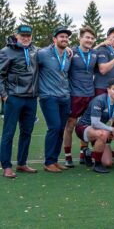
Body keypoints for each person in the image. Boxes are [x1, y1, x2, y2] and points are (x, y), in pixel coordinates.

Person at [0, 25, 39, 178]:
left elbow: (53, 51)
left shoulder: (35, 51)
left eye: (28, 36)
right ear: (16, 35)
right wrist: (4, 96)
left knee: (27, 132)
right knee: (8, 133)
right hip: (13, 98)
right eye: (22, 35)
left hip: (31, 98)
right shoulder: (5, 52)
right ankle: (6, 166)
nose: (25, 38)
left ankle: (22, 163)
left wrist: (68, 50)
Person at [38, 27, 73, 173]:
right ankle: (48, 162)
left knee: (60, 130)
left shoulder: (68, 54)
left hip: (64, 97)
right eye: (61, 37)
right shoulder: (43, 53)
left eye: (66, 37)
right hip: (48, 96)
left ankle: (55, 160)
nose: (64, 39)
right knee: (54, 127)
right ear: (54, 39)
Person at [63, 26, 97, 167]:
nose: (89, 40)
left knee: (86, 124)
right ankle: (68, 156)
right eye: (87, 37)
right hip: (75, 95)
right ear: (80, 38)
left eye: (92, 38)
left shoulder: (94, 54)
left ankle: (84, 153)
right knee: (70, 125)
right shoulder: (71, 52)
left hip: (90, 95)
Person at [75, 78, 114, 173]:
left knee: (108, 163)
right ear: (108, 89)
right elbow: (95, 123)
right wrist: (111, 129)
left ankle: (88, 153)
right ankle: (97, 165)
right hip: (84, 127)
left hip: (99, 129)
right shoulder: (99, 100)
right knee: (103, 133)